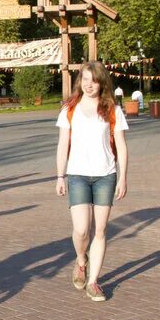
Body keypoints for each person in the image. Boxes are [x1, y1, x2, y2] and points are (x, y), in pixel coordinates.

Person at [55, 61, 129, 302]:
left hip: (105, 175)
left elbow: (121, 145)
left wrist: (123, 177)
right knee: (80, 229)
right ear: (80, 82)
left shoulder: (111, 109)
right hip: (77, 175)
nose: (89, 85)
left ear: (102, 83)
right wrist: (60, 175)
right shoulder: (70, 108)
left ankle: (94, 282)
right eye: (85, 80)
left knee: (100, 229)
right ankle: (81, 259)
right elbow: (63, 144)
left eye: (94, 80)